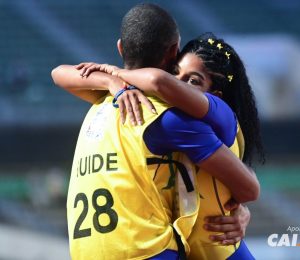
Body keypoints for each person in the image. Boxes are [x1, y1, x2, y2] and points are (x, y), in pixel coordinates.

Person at [52, 4, 259, 260]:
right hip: (157, 250)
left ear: (119, 48)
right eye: (177, 75)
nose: (179, 84)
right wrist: (111, 80)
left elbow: (60, 73)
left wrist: (111, 75)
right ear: (173, 53)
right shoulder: (165, 116)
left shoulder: (102, 104)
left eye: (193, 81)